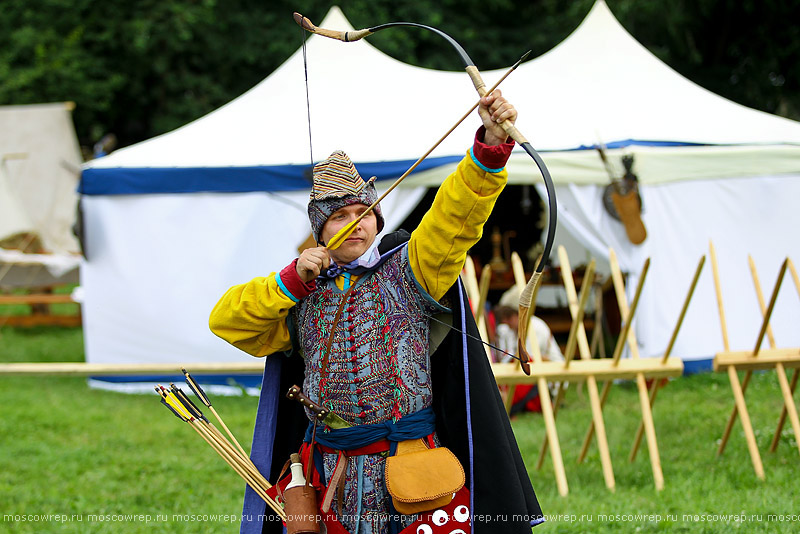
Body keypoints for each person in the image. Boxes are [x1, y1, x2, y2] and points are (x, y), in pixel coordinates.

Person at [209, 90, 543, 534]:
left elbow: (454, 217)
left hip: (413, 466)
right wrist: (290, 281)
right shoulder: (301, 290)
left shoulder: (414, 268)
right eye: (340, 215)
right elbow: (227, 320)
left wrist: (489, 146)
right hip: (330, 473)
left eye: (364, 211)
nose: (356, 222)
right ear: (321, 228)